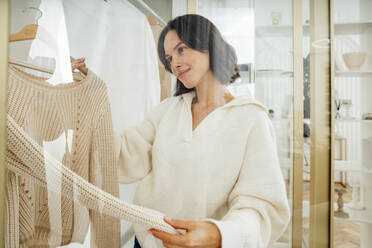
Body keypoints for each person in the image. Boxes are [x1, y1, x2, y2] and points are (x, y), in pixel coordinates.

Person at [72, 14, 290, 248]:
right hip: (148, 242)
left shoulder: (250, 118)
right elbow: (123, 154)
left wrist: (219, 235)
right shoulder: (168, 111)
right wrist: (85, 96)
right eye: (169, 57)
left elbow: (262, 205)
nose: (174, 63)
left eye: (182, 49)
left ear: (209, 46)